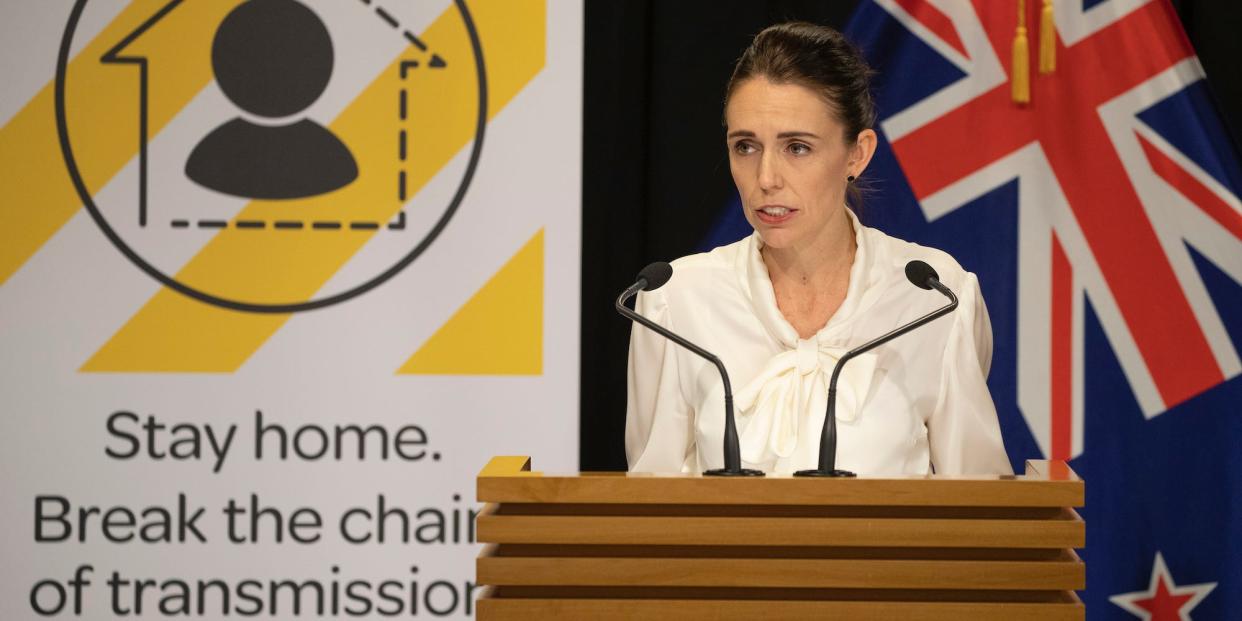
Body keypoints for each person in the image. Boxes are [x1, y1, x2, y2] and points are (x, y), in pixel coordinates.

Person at [625, 22, 1011, 476]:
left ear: (857, 154)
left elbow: (979, 505)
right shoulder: (675, 300)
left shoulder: (934, 297)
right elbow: (652, 507)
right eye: (745, 146)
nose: (766, 178)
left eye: (797, 148)